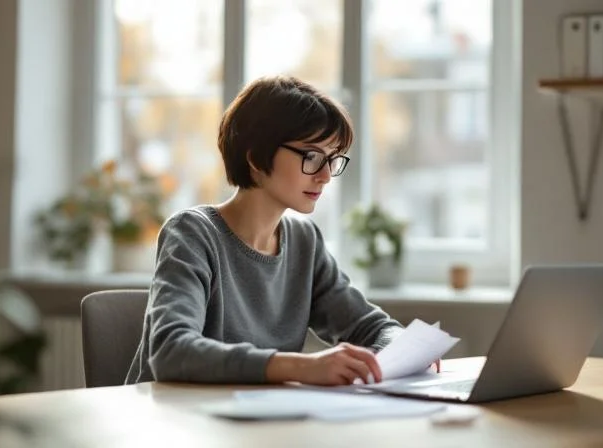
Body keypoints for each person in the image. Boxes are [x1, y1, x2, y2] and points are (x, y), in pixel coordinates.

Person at [125, 75, 407, 387]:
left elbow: (372, 326)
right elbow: (171, 352)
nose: (326, 176)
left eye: (332, 159)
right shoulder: (193, 234)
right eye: (312, 156)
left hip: (251, 423)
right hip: (174, 425)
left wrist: (403, 349)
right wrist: (301, 367)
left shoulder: (304, 241)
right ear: (257, 158)